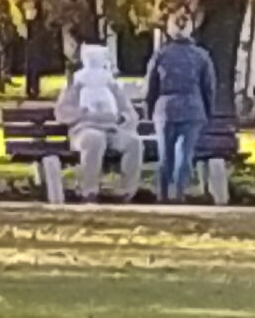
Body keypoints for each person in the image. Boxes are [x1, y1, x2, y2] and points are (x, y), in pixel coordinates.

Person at [54, 44, 144, 202]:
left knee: (134, 143)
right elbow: (62, 112)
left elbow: (129, 112)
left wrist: (121, 118)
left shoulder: (111, 84)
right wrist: (85, 115)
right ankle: (89, 191)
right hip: (85, 130)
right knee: (94, 140)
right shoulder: (75, 83)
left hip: (113, 129)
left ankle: (126, 192)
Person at [144, 13, 216, 202]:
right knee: (184, 153)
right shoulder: (201, 56)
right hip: (193, 108)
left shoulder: (161, 55)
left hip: (165, 109)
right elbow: (208, 88)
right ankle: (178, 193)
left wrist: (150, 109)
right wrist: (208, 111)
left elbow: (151, 87)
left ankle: (163, 193)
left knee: (165, 154)